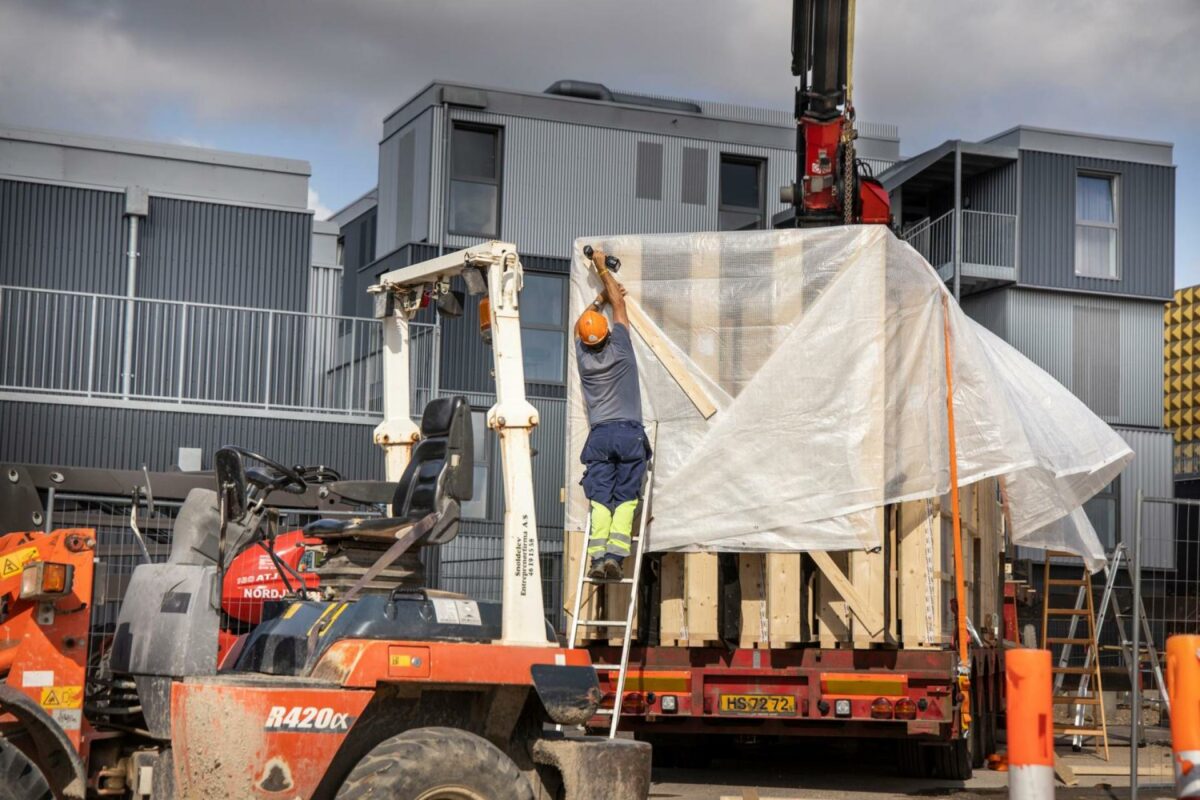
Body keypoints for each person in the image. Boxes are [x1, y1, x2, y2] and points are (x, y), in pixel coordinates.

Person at [576, 248, 650, 580]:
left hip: (600, 436)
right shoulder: (620, 347)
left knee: (601, 500)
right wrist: (603, 270)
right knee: (626, 498)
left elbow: (585, 324)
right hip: (629, 433)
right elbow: (619, 307)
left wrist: (598, 297)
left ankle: (596, 559)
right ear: (607, 334)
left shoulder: (583, 357)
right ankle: (616, 558)